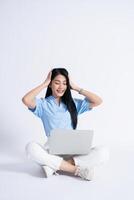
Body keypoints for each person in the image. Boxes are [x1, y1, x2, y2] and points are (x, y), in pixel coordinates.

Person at [22, 68, 109, 181]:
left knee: (104, 153)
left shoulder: (73, 104)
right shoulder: (43, 105)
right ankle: (76, 170)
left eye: (65, 83)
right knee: (30, 147)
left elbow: (98, 101)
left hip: (73, 151)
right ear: (50, 84)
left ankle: (54, 167)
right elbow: (26, 99)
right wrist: (44, 83)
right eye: (57, 83)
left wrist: (76, 87)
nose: (61, 87)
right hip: (52, 150)